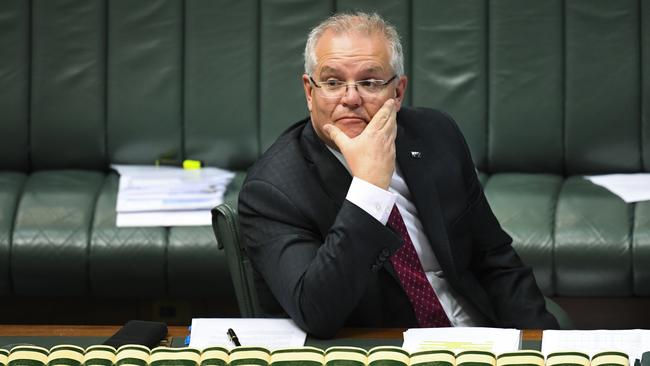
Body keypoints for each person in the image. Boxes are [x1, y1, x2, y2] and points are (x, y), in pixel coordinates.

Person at [238, 12, 558, 338]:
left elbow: (496, 261)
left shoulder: (436, 135)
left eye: (370, 82)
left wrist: (548, 346)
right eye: (333, 82)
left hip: (477, 336)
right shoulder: (272, 190)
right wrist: (368, 189)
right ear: (310, 92)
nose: (350, 98)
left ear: (398, 92)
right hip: (382, 351)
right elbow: (318, 312)